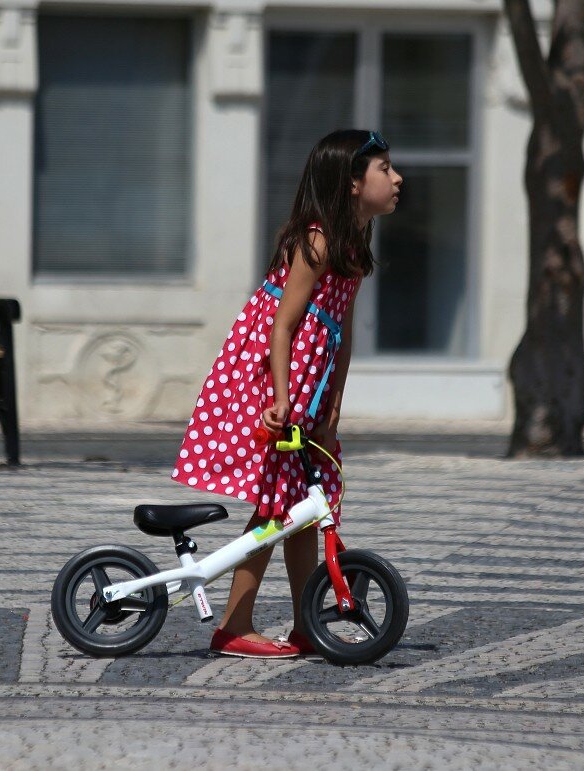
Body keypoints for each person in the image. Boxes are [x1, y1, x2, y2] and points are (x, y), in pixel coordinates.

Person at [171, 129, 402, 658]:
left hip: (309, 384)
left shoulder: (353, 248)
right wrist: (281, 398)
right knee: (277, 506)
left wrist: (335, 405)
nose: (396, 178)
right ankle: (233, 625)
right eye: (384, 168)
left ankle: (305, 626)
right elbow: (282, 325)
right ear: (351, 183)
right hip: (272, 378)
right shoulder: (317, 240)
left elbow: (338, 334)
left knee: (300, 507)